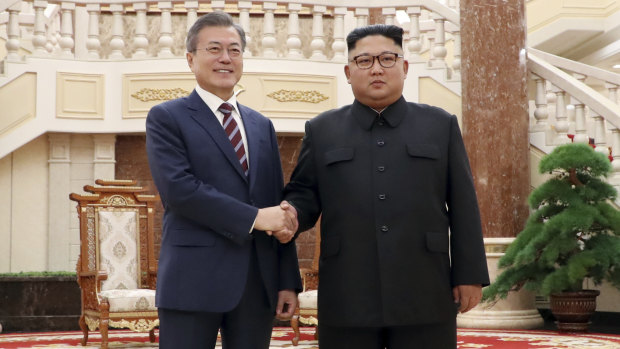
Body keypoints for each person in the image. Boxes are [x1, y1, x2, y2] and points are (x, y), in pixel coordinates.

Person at [281, 24, 490, 348]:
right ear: (349, 72)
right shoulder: (322, 130)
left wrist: (469, 274)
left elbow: (463, 204)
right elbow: (305, 194)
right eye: (364, 61)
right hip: (348, 290)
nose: (376, 68)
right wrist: (291, 213)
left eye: (387, 58)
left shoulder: (440, 125)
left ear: (404, 67)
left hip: (425, 287)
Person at [145, 12, 302, 349]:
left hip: (256, 282)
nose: (225, 58)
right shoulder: (166, 117)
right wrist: (255, 218)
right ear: (190, 59)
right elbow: (180, 190)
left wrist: (287, 280)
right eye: (214, 49)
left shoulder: (261, 125)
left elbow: (277, 203)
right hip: (192, 279)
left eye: (234, 50)